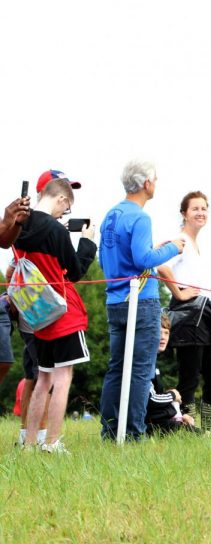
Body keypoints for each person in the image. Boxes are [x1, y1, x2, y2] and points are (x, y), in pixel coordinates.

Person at [99, 160, 185, 441]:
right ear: (146, 183)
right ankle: (135, 433)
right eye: (156, 179)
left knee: (116, 368)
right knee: (140, 370)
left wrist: (150, 251)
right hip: (141, 300)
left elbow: (110, 258)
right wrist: (173, 247)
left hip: (115, 299)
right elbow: (143, 260)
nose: (156, 184)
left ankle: (110, 431)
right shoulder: (140, 217)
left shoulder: (111, 215)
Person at [15, 177, 96, 453]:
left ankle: (29, 443)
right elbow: (74, 272)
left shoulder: (21, 225)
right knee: (63, 378)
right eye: (66, 208)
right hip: (62, 311)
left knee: (43, 378)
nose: (64, 214)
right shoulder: (56, 231)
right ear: (61, 199)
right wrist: (87, 243)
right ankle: (52, 442)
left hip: (39, 314)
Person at [157, 191, 211, 434]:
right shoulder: (180, 240)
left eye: (204, 208)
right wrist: (178, 292)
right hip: (187, 315)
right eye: (195, 208)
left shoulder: (197, 244)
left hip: (205, 312)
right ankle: (186, 428)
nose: (200, 213)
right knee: (190, 377)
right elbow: (161, 266)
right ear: (184, 213)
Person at [146, 313, 199, 435]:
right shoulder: (145, 363)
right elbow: (149, 400)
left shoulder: (153, 362)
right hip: (146, 426)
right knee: (203, 436)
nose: (163, 337)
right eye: (159, 332)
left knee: (198, 432)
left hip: (157, 421)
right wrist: (172, 395)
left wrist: (180, 414)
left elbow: (157, 397)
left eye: (166, 333)